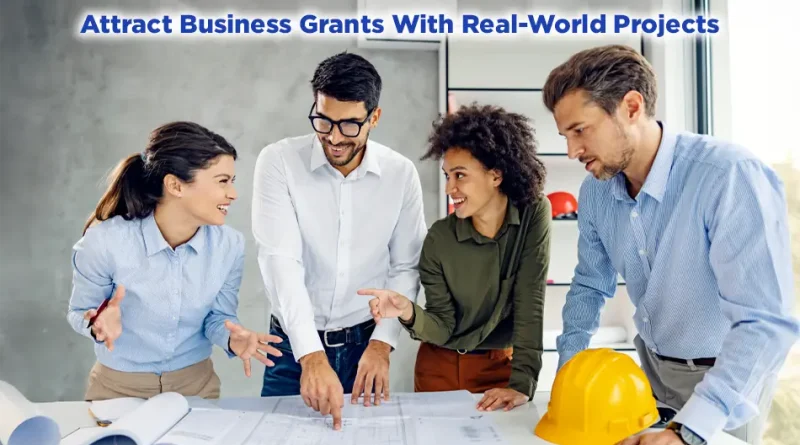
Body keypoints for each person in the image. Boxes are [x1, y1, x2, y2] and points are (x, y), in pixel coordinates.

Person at [542, 44, 799, 445]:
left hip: (727, 384)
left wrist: (689, 430)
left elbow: (764, 322)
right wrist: (569, 376)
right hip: (651, 375)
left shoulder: (728, 176)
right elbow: (591, 284)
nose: (572, 151)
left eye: (580, 130)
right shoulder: (595, 193)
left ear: (630, 106)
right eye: (565, 135)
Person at [251, 52, 427, 429]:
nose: (333, 137)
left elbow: (406, 266)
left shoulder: (400, 174)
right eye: (323, 120)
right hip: (291, 349)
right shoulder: (279, 162)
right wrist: (310, 356)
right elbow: (280, 262)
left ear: (374, 117)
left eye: (349, 125)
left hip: (365, 347)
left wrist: (382, 345)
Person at [67, 121, 283, 401]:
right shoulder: (104, 242)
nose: (233, 194)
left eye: (232, 181)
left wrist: (232, 337)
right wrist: (96, 323)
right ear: (175, 185)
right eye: (222, 181)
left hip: (197, 388)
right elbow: (79, 311)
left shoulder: (229, 245)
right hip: (117, 391)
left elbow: (218, 317)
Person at [359, 103, 551, 412]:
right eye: (447, 175)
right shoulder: (439, 239)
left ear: (496, 175)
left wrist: (522, 383)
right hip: (438, 369)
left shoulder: (533, 214)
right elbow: (443, 326)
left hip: (499, 368)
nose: (450, 188)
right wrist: (408, 311)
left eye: (460, 175)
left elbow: (531, 299)